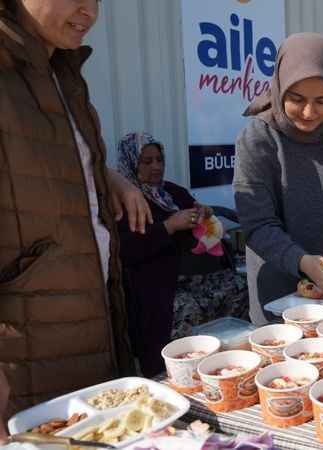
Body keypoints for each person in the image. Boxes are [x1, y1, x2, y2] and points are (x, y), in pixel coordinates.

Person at [0, 0, 152, 415]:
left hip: (89, 328)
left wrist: (108, 178)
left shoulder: (62, 72)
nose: (89, 10)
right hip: (25, 358)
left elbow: (43, 163)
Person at [234, 33, 323, 325]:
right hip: (276, 278)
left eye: (322, 101)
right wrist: (301, 261)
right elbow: (258, 224)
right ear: (280, 88)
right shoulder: (257, 137)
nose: (309, 112)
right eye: (296, 99)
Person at [116, 133, 247, 376]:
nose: (156, 166)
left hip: (191, 274)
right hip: (154, 284)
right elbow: (124, 251)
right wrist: (168, 226)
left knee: (239, 287)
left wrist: (204, 214)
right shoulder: (122, 201)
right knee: (183, 307)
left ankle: (229, 363)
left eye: (159, 159)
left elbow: (197, 226)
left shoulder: (173, 192)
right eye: (147, 161)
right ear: (131, 163)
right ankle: (176, 376)